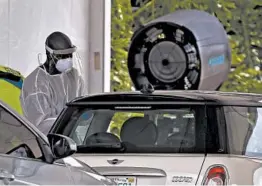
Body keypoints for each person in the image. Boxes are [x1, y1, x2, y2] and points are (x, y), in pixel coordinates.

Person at [20, 31, 86, 135]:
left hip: (70, 139)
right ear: (50, 55)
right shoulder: (35, 83)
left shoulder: (74, 76)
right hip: (47, 142)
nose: (68, 59)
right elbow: (41, 124)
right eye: (63, 56)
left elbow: (84, 108)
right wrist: (71, 122)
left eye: (70, 55)